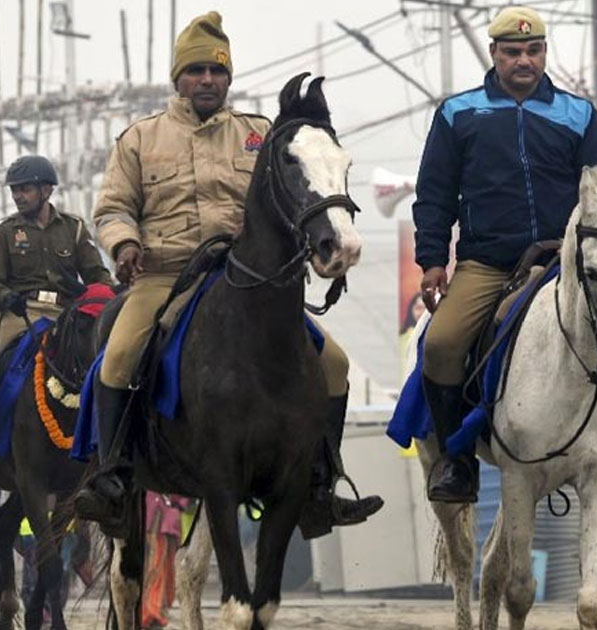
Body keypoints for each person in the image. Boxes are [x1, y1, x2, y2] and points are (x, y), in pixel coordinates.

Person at [70, 10, 382, 535]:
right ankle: (114, 476)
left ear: (228, 79)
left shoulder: (260, 135)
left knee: (335, 365)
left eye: (217, 72)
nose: (207, 81)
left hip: (244, 279)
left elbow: (293, 201)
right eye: (196, 72)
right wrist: (123, 243)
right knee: (120, 356)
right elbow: (112, 209)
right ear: (179, 79)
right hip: (163, 277)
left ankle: (319, 485)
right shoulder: (140, 139)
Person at [411, 5, 597, 503]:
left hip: (563, 265)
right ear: (494, 54)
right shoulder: (458, 113)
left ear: (544, 53)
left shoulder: (577, 114)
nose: (524, 60)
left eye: (534, 50)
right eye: (513, 51)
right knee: (442, 343)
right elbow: (434, 192)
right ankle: (456, 463)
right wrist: (432, 258)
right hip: (488, 261)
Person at [0, 155, 113, 482]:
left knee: (108, 367)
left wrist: (113, 294)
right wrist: (5, 297)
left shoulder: (74, 229)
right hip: (18, 314)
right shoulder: (5, 232)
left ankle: (115, 452)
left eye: (25, 189)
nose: (17, 196)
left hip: (67, 317)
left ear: (46, 190)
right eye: (15, 190)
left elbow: (97, 276)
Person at [141, 492, 189, 629]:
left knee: (166, 570)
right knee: (155, 567)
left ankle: (156, 609)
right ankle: (151, 612)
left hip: (167, 521)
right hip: (152, 518)